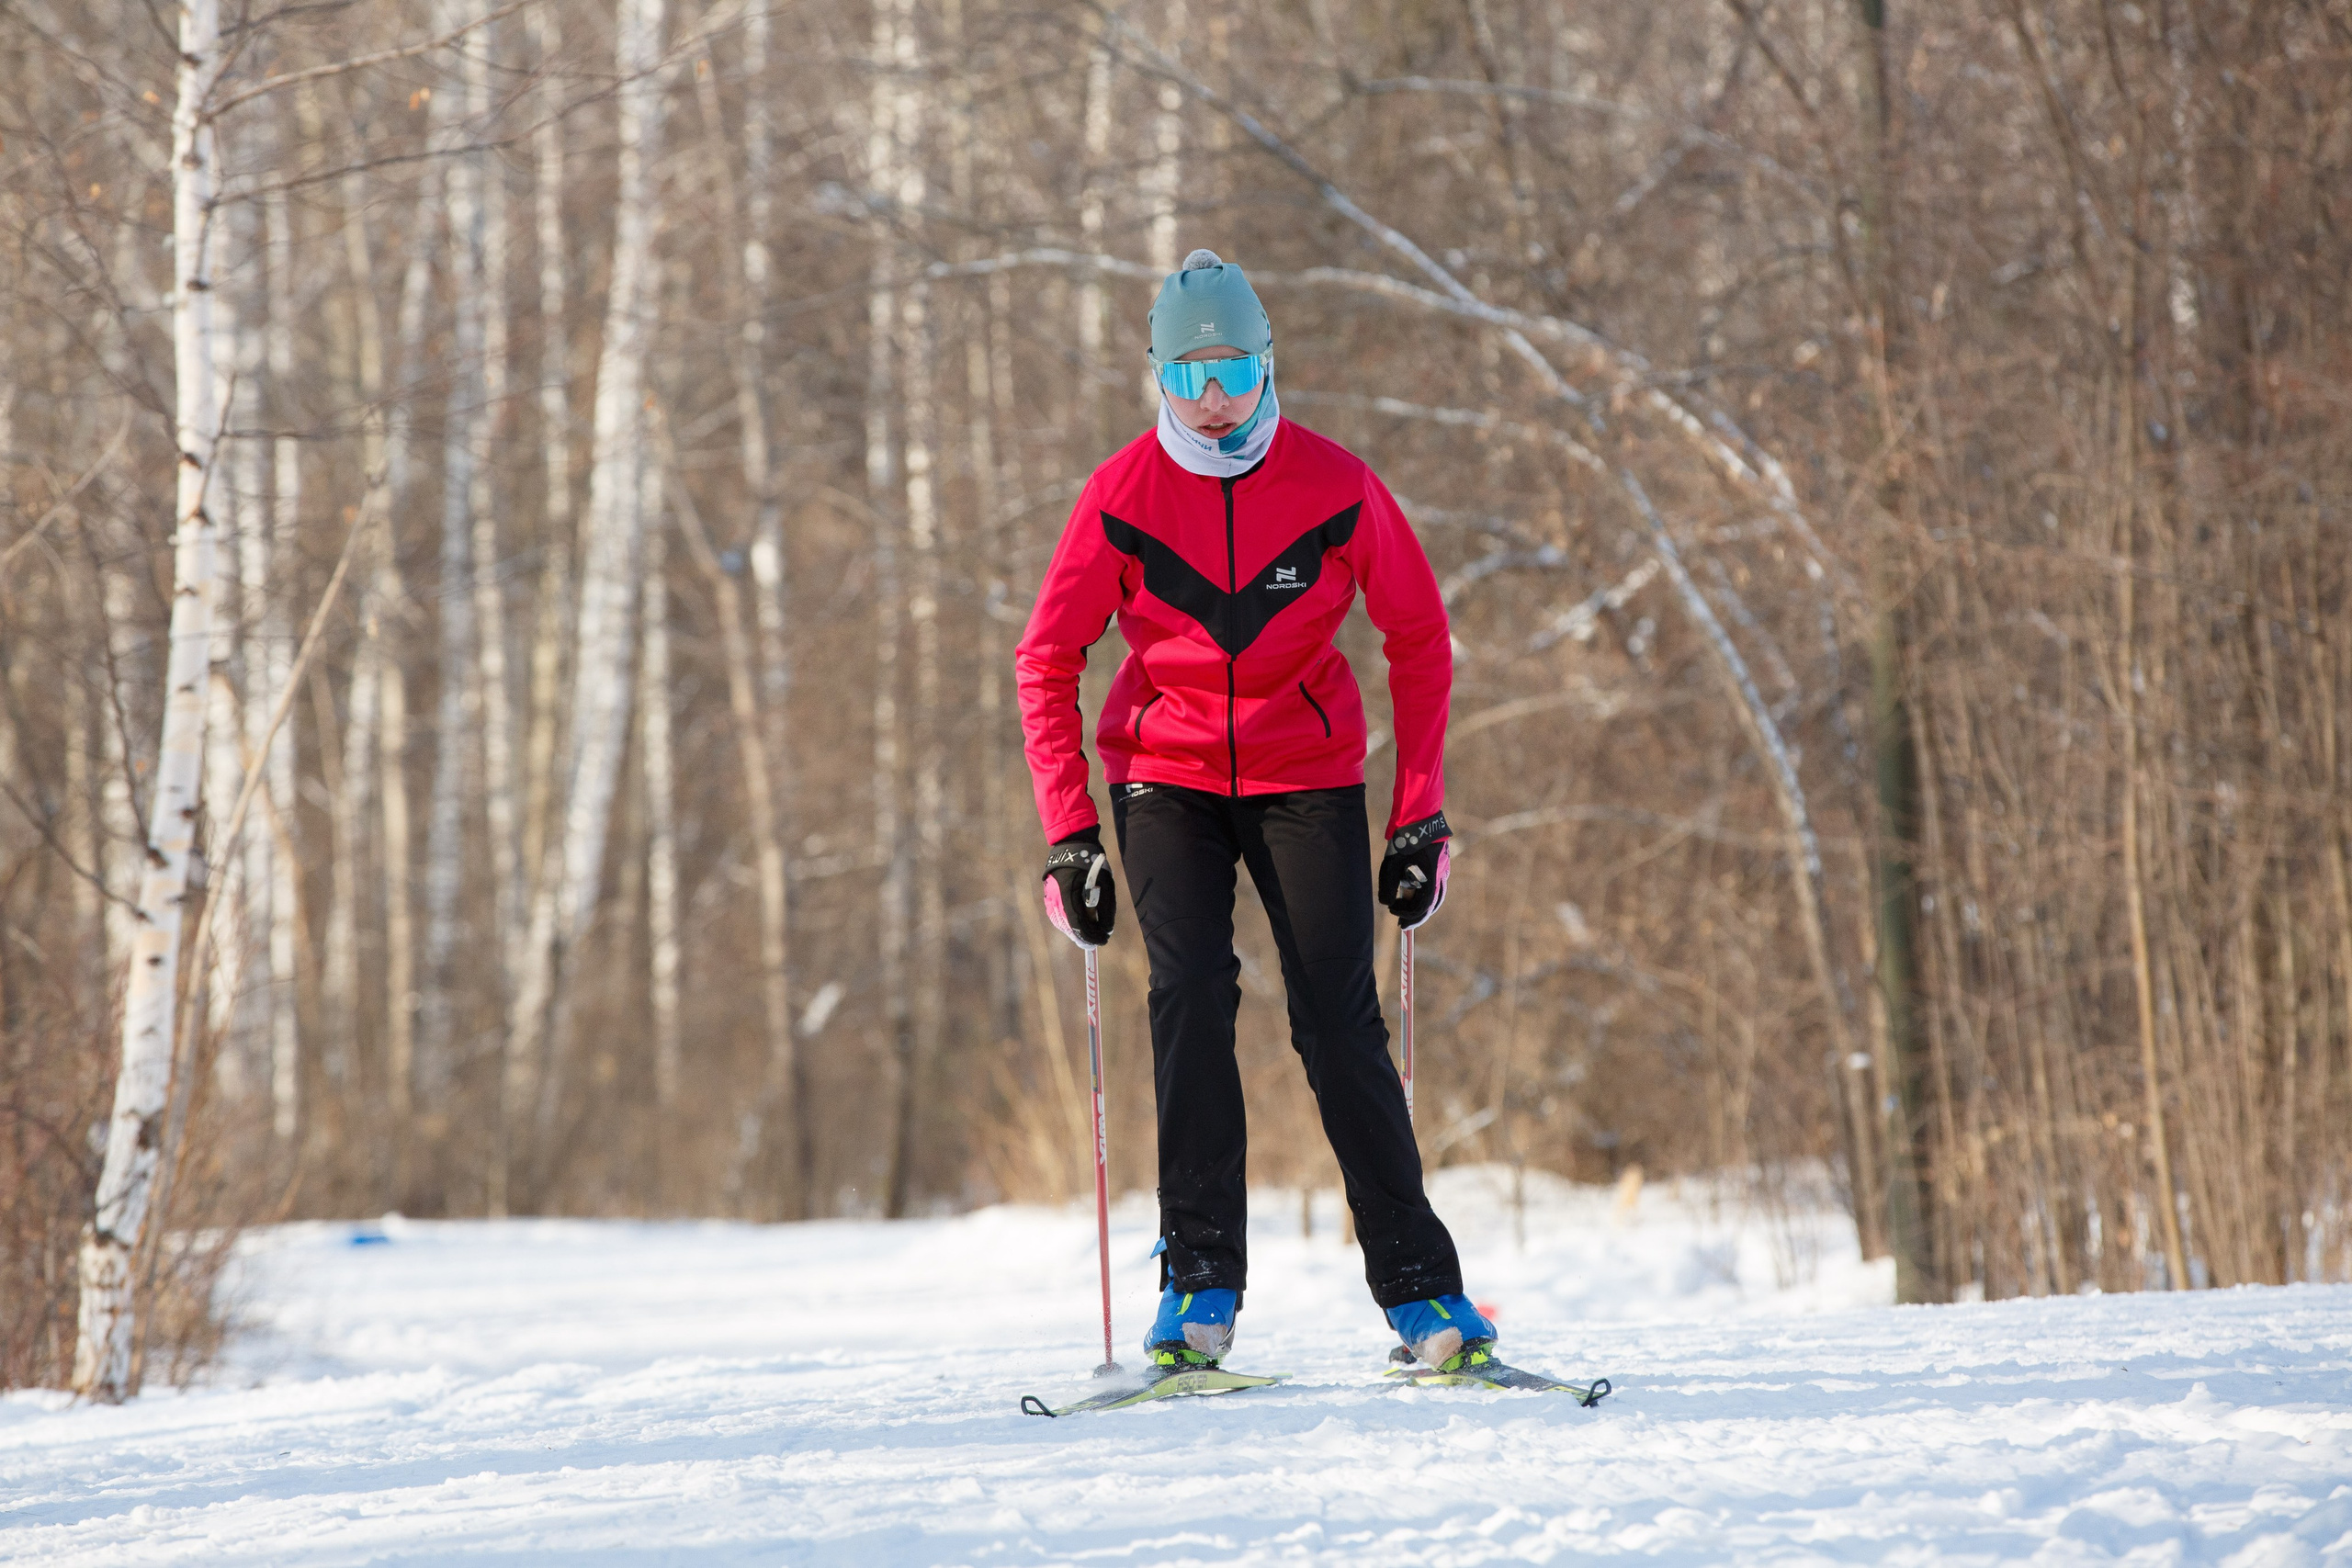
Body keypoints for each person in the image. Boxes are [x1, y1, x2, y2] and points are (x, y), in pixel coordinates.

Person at [1014, 248, 1493, 1375]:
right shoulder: (1121, 494)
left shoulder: (1335, 485)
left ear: (1267, 362)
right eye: (1185, 377)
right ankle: (1198, 1286)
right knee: (1188, 994)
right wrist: (1069, 834)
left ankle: (1424, 1297)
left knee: (1336, 1020)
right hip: (1161, 771)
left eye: (1227, 368)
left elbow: (1419, 640)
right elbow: (1048, 658)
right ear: (1157, 381)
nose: (1210, 397)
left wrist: (1418, 818)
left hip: (1304, 768)